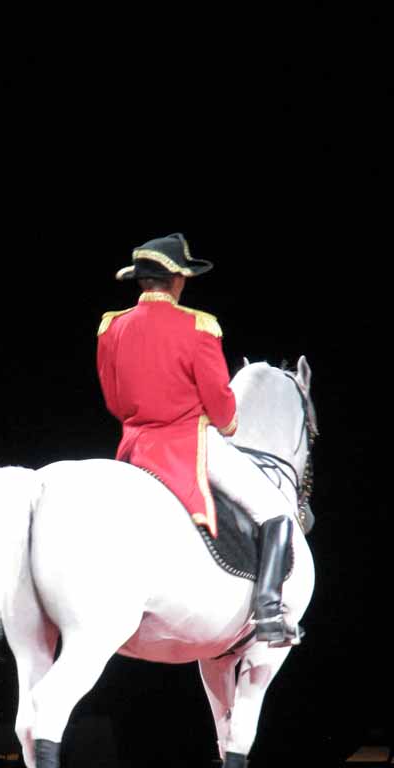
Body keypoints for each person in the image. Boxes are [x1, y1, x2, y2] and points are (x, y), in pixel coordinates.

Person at [96, 232, 300, 646]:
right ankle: (268, 611)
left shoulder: (112, 326)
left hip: (133, 449)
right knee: (274, 509)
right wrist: (225, 425)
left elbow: (115, 402)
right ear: (176, 279)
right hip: (188, 445)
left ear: (142, 280)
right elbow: (220, 402)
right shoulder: (198, 326)